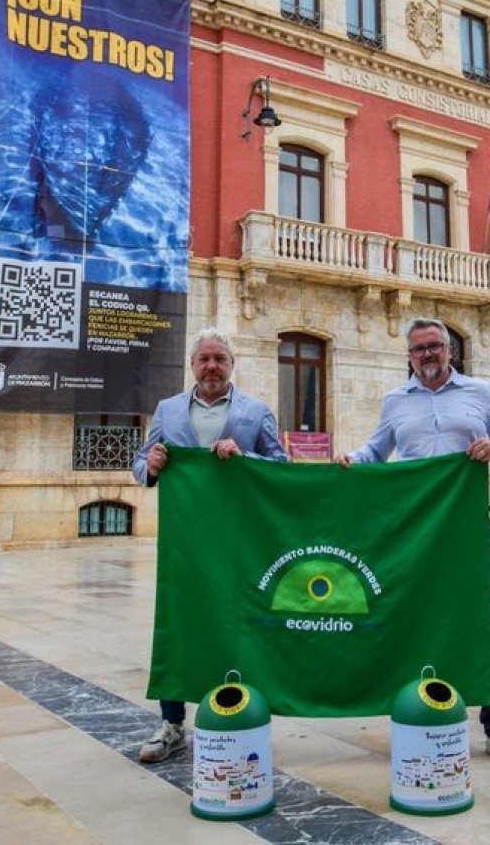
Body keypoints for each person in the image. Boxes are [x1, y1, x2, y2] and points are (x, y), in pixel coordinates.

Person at [335, 317, 490, 769]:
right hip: (414, 531)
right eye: (419, 348)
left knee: (487, 622)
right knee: (415, 620)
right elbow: (377, 450)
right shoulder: (395, 401)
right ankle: (424, 714)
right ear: (409, 356)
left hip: (466, 526)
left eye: (436, 346)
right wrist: (353, 460)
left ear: (449, 350)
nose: (428, 354)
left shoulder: (478, 393)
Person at [132, 326, 287, 763]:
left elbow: (279, 465)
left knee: (237, 620)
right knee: (177, 623)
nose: (212, 366)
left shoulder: (256, 412)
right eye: (204, 359)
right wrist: (153, 463)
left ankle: (239, 714)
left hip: (241, 539)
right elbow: (140, 462)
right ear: (193, 365)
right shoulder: (168, 409)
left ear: (231, 364)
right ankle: (171, 724)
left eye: (220, 358)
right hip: (185, 539)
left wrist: (245, 456)